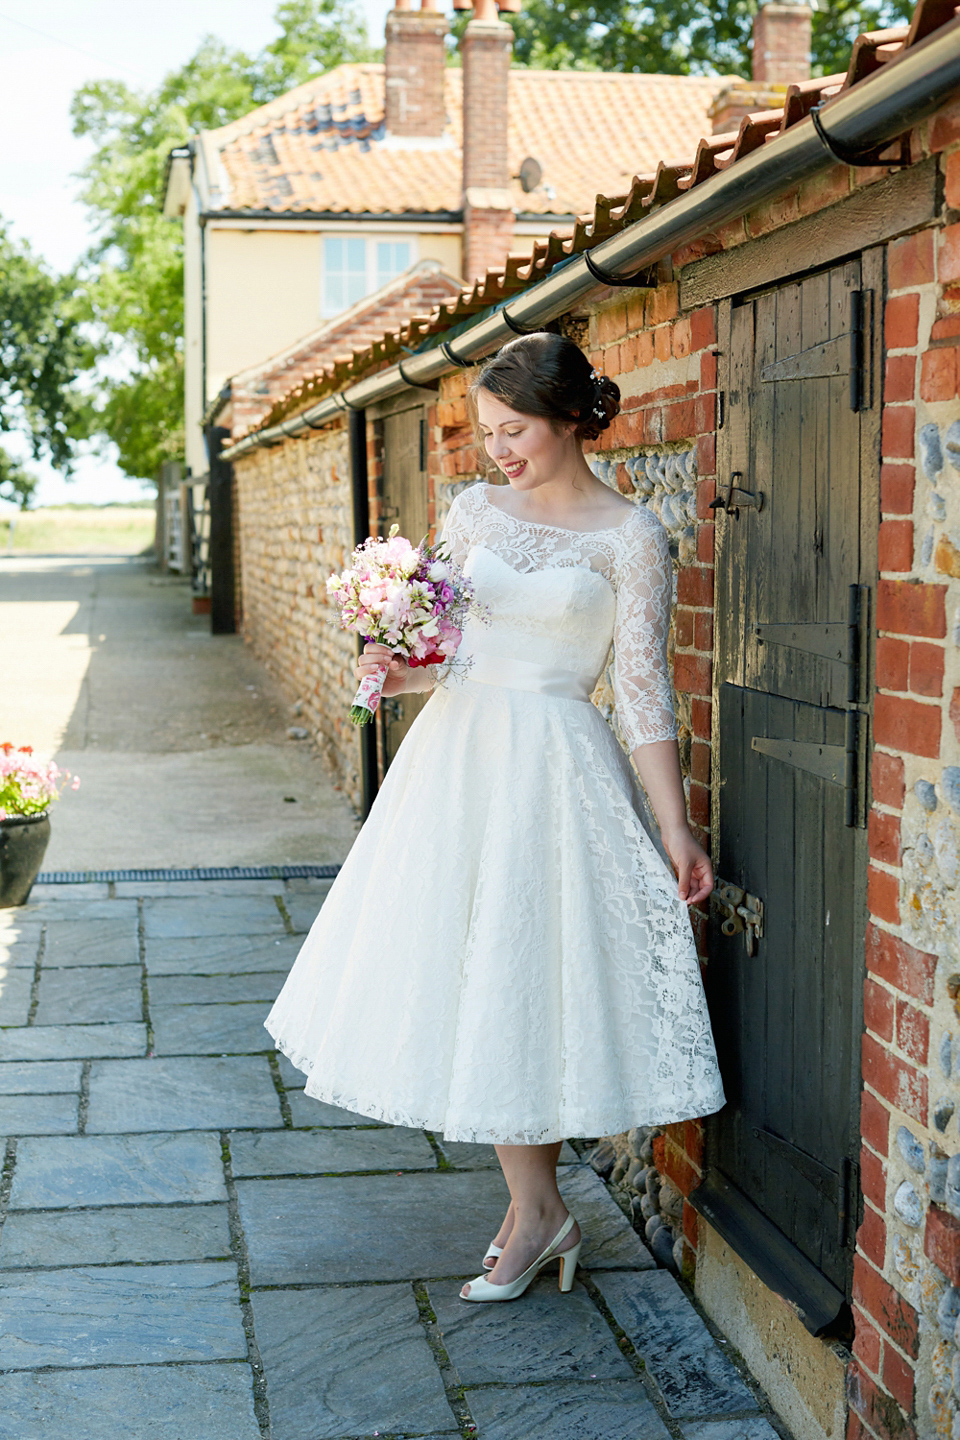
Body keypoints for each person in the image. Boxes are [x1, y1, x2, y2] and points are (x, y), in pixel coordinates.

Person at [264, 330, 726, 1304]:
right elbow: (451, 646)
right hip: (459, 763)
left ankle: (537, 1214)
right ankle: (538, 1211)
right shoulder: (473, 510)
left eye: (514, 430)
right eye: (488, 434)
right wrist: (398, 673)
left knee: (524, 979)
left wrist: (673, 827)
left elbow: (642, 692)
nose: (499, 451)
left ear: (569, 418)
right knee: (466, 973)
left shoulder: (630, 537)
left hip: (556, 768)